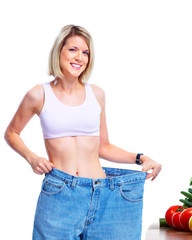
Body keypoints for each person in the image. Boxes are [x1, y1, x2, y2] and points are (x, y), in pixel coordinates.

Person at [4, 24, 162, 240]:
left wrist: (141, 158)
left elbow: (104, 147)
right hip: (61, 195)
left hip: (107, 194)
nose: (79, 57)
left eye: (85, 52)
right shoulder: (39, 94)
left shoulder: (97, 94)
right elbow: (11, 132)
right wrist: (32, 158)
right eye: (73, 50)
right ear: (59, 51)